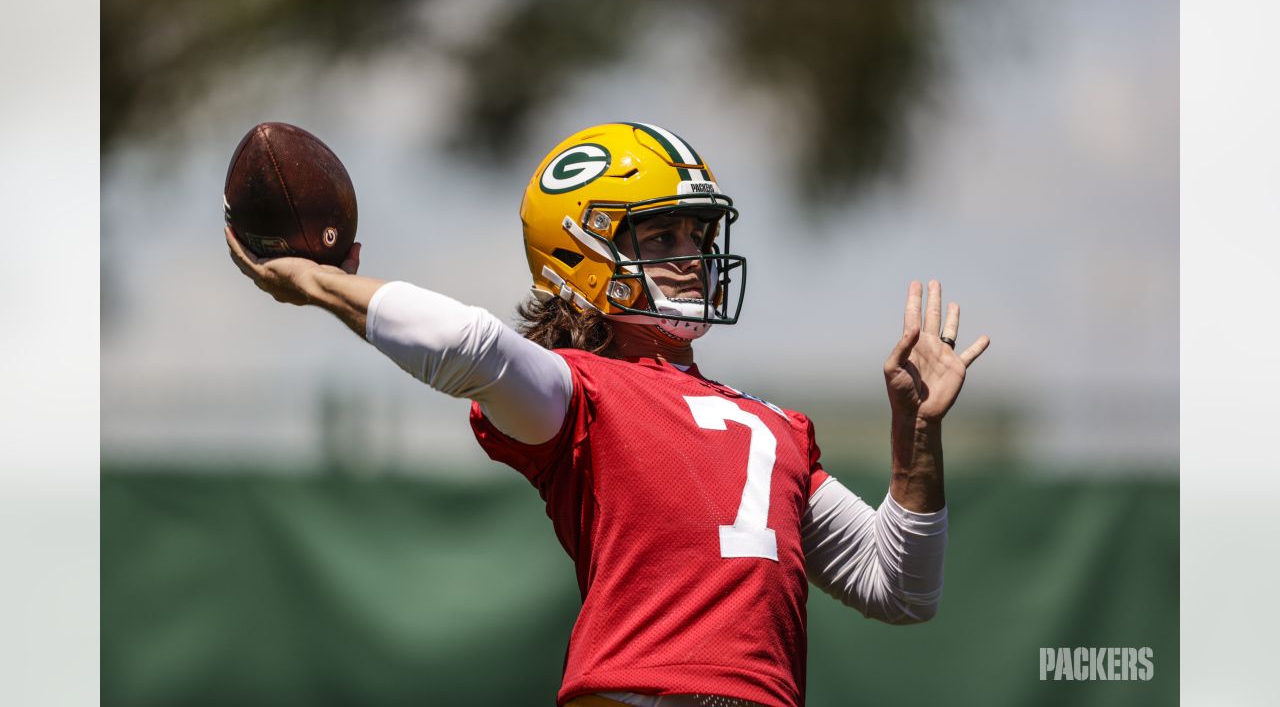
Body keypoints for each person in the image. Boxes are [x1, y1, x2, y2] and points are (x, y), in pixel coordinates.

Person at [225, 122, 989, 707]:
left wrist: (915, 438)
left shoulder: (775, 427)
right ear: (579, 254)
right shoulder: (579, 395)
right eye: (661, 235)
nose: (692, 255)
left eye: (698, 234)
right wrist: (314, 284)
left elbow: (901, 586)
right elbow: (470, 343)